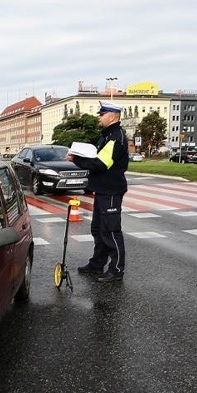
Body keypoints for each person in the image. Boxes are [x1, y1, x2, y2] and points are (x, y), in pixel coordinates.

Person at [67, 101, 129, 283]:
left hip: (110, 190)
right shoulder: (108, 135)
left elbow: (101, 164)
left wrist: (77, 160)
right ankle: (97, 264)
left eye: (102, 115)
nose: (99, 117)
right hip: (103, 189)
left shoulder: (115, 137)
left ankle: (116, 270)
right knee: (99, 229)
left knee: (110, 230)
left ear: (112, 116)